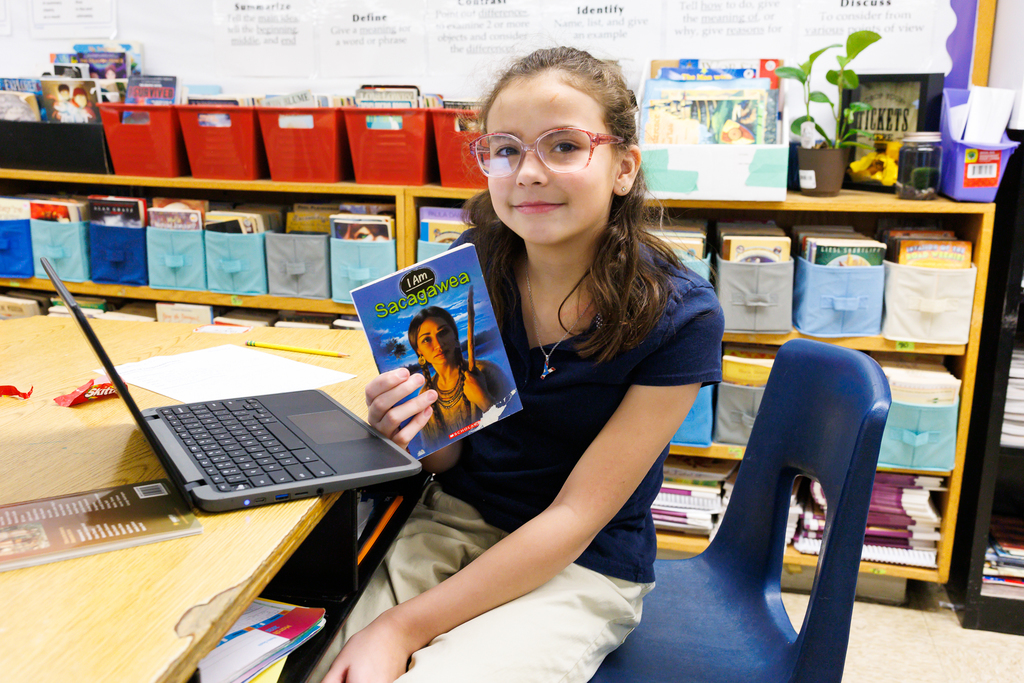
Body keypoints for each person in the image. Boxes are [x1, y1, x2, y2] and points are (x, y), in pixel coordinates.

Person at [320, 46, 724, 683]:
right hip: (455, 519)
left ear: (623, 167)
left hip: (585, 560)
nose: (528, 172)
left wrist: (401, 627)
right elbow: (452, 455)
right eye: (505, 149)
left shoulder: (680, 316)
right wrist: (412, 429)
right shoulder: (471, 263)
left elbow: (575, 518)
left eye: (563, 146)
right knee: (328, 667)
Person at [407, 289, 509, 452]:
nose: (438, 344)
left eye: (443, 332)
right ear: (419, 352)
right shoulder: (426, 397)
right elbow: (434, 455)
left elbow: (514, 431)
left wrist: (484, 399)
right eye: (427, 340)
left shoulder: (487, 372)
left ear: (455, 336)